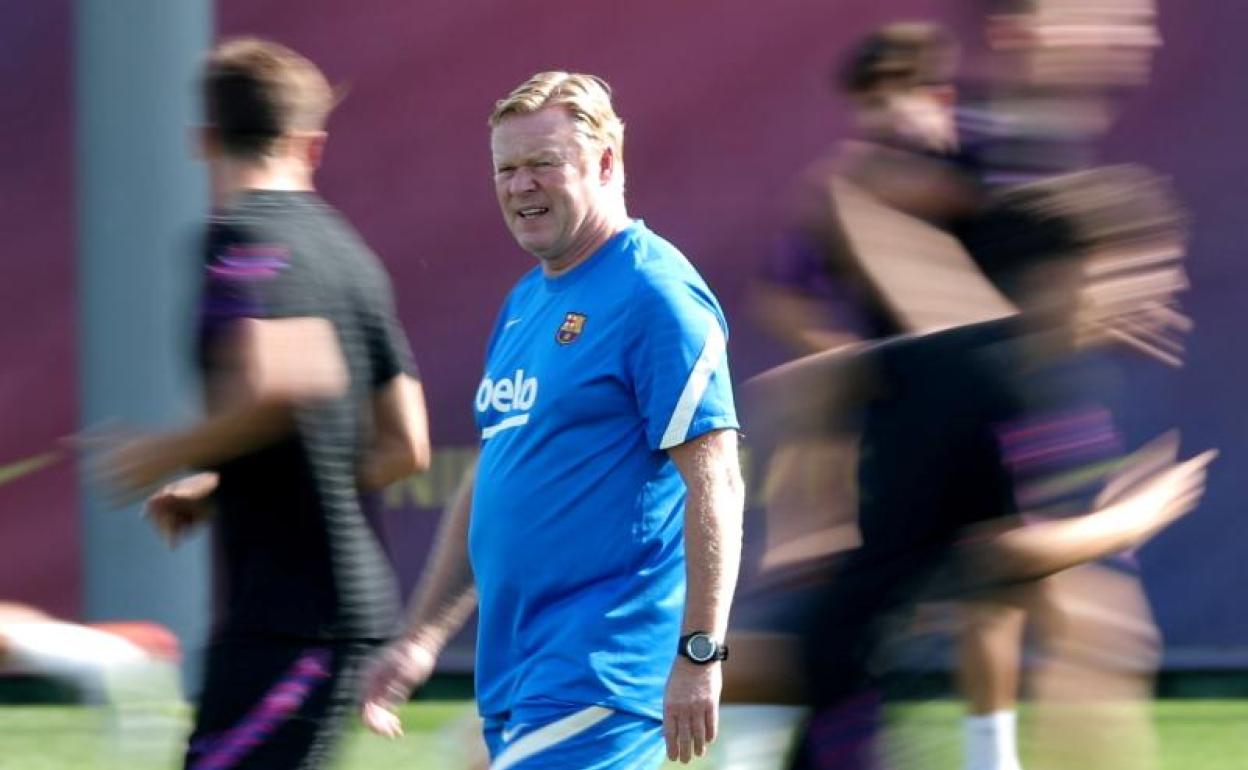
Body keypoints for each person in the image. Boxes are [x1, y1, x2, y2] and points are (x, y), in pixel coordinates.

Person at [745, 166, 1212, 770]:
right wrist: (1132, 518)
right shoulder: (1017, 385)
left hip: (858, 661)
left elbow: (807, 386)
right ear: (1066, 277)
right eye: (1143, 269)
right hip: (865, 678)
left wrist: (802, 528)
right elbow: (1000, 553)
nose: (1167, 288)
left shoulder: (976, 354)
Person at [358, 71, 745, 769]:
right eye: (506, 169)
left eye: (543, 163)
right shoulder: (526, 301)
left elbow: (716, 481)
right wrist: (420, 638)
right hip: (519, 673)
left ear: (605, 163)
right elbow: (495, 478)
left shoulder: (654, 293)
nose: (520, 186)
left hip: (601, 669)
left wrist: (700, 654)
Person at [97, 38, 430, 770]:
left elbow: (295, 381)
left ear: (204, 140)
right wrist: (225, 484)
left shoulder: (240, 239)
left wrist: (161, 450)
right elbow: (404, 444)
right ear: (310, 143)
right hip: (318, 615)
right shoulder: (347, 250)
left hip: (293, 621)